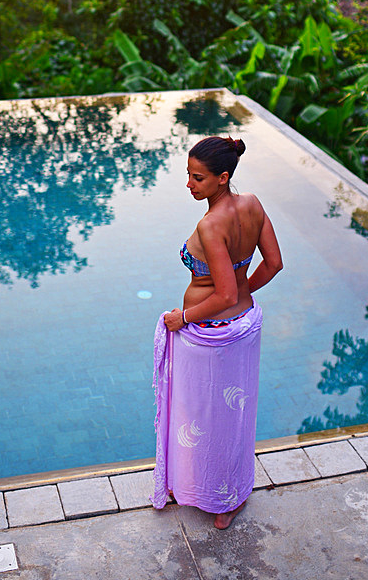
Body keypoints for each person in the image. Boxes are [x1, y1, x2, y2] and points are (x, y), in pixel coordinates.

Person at [151, 135, 283, 529]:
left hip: (211, 334)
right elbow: (273, 264)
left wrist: (184, 317)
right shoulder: (253, 204)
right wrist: (245, 290)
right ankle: (216, 491)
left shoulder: (210, 225)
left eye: (198, 178)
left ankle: (221, 497)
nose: (189, 185)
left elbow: (223, 293)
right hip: (244, 327)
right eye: (188, 176)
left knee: (203, 417)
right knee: (232, 416)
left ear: (222, 178)